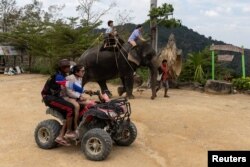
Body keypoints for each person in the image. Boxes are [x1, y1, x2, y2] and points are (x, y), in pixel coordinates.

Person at [41, 59, 76, 146]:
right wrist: (84, 90)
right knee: (70, 108)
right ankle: (66, 133)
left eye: (69, 66)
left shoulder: (62, 75)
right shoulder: (58, 76)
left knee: (69, 108)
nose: (69, 68)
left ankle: (67, 129)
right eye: (67, 67)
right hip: (49, 98)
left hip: (55, 96)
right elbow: (70, 86)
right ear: (63, 68)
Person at [64, 65, 92, 134]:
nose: (84, 72)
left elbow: (79, 89)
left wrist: (81, 96)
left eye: (84, 71)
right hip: (68, 97)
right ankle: (75, 125)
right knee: (77, 106)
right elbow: (69, 91)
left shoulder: (80, 78)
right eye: (82, 71)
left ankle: (84, 121)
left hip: (75, 97)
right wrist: (79, 97)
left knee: (90, 103)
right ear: (76, 72)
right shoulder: (70, 78)